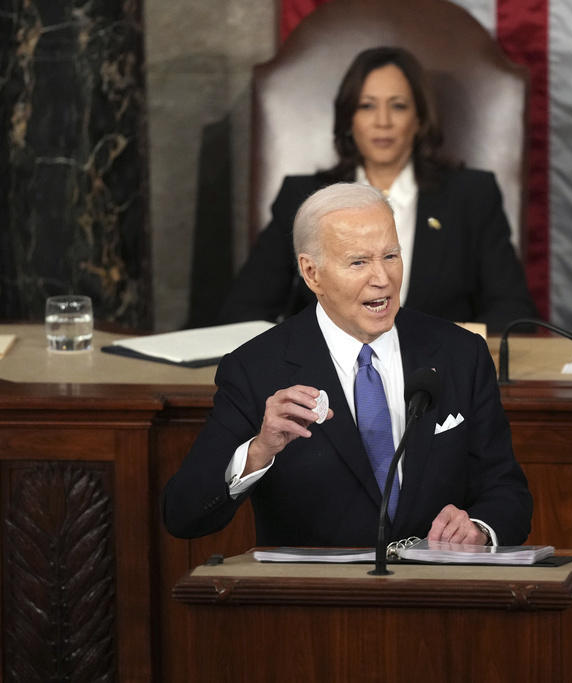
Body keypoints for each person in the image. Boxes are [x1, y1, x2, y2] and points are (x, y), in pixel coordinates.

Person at [163, 183, 533, 548]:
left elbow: (507, 491)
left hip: (436, 595)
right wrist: (259, 450)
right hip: (319, 602)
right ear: (312, 274)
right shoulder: (256, 369)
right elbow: (184, 514)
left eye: (391, 256)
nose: (383, 279)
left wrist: (480, 528)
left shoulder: (460, 354)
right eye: (359, 262)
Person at [219, 46, 537, 333]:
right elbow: (243, 312)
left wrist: (449, 348)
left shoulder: (471, 195)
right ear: (349, 119)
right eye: (367, 106)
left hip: (439, 378)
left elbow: (513, 314)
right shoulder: (304, 197)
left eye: (398, 106)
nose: (382, 121)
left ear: (419, 119)